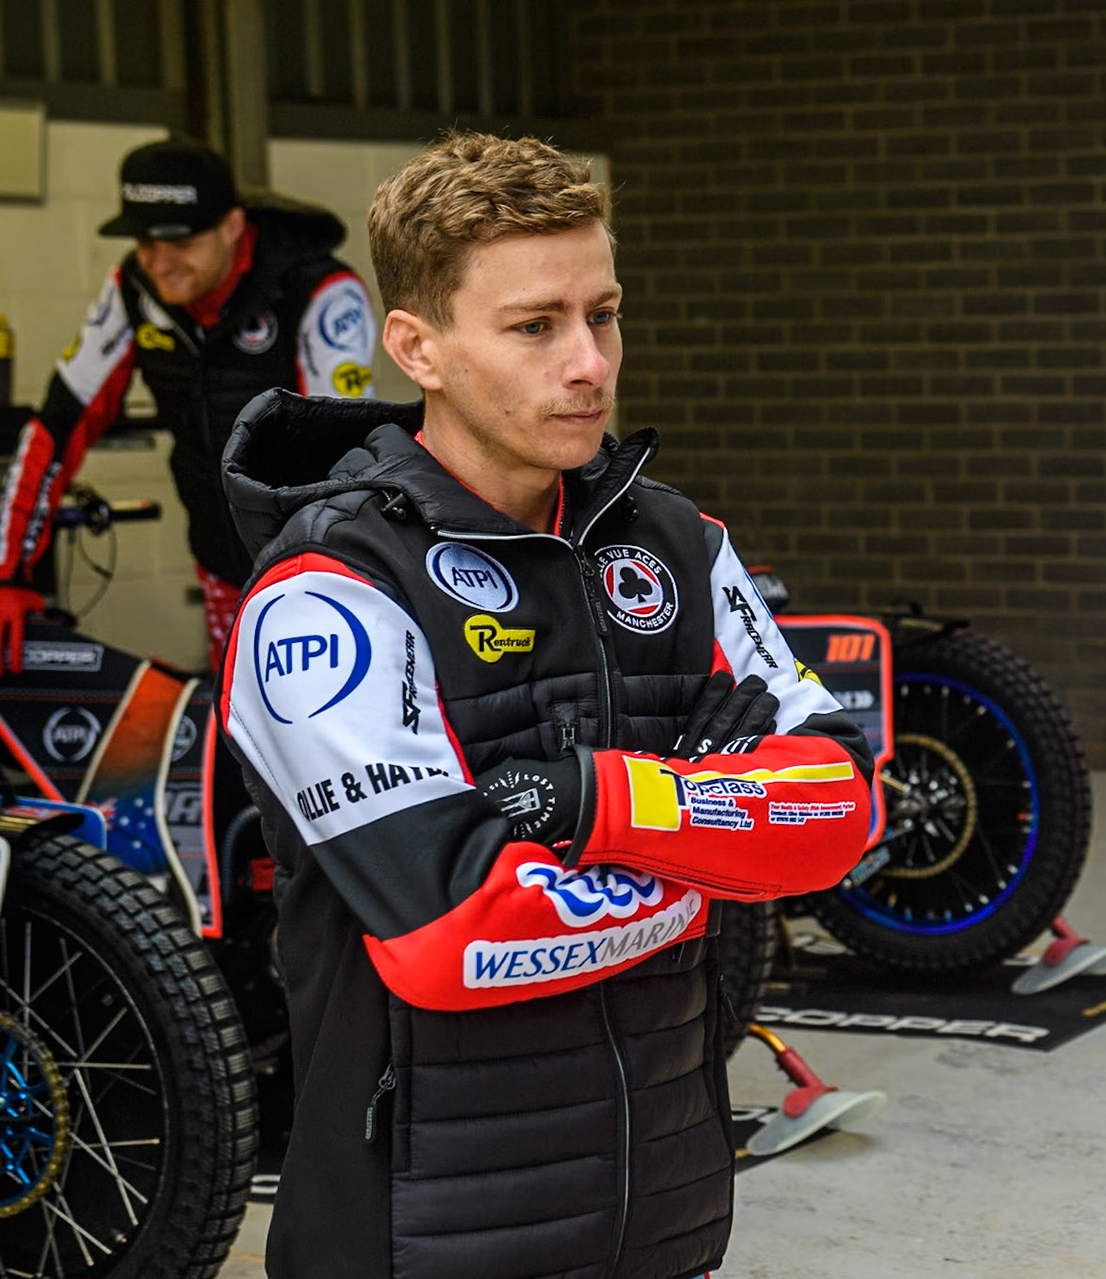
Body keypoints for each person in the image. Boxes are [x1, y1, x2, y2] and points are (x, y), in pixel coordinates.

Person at [216, 132, 874, 1279]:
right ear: (417, 346)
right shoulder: (329, 589)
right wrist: (712, 846)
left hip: (661, 1217)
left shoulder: (677, 541)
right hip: (416, 1237)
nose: (590, 364)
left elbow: (843, 808)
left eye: (603, 313)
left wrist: (599, 804)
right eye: (535, 326)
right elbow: (453, 936)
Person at [0, 136, 375, 676]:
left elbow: (339, 451)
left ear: (232, 225)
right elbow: (59, 423)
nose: (160, 262)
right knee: (237, 726)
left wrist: (323, 572)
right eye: (144, 243)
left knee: (317, 726)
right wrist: (1, 569)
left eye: (180, 241)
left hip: (314, 564)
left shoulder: (319, 291)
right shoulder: (136, 289)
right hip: (217, 559)